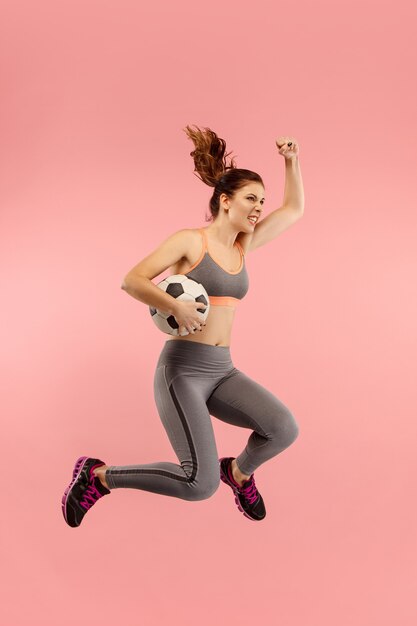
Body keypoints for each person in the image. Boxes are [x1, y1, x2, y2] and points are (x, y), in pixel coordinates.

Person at [62, 125, 304, 527]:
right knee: (198, 483)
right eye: (251, 198)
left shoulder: (243, 246)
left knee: (282, 428)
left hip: (222, 370)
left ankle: (239, 473)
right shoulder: (191, 241)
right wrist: (177, 306)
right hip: (183, 372)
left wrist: (291, 161)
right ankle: (98, 477)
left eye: (262, 200)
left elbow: (293, 210)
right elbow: (133, 279)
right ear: (225, 201)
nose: (260, 206)